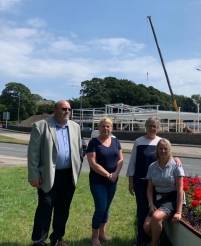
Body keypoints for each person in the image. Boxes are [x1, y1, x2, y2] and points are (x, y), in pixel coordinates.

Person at [27, 100, 84, 246]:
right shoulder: (41, 126)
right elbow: (33, 153)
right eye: (64, 108)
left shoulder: (75, 127)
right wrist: (34, 175)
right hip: (48, 175)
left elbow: (78, 150)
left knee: (63, 208)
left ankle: (57, 239)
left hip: (68, 175)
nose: (67, 111)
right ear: (55, 110)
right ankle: (39, 241)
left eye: (69, 109)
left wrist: (77, 168)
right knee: (45, 207)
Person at [126, 116, 181, 246]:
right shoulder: (138, 142)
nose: (152, 128)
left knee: (152, 211)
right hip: (141, 182)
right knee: (141, 211)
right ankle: (141, 240)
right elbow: (132, 163)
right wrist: (131, 181)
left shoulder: (160, 142)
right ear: (145, 127)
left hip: (157, 184)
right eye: (150, 125)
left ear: (158, 128)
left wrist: (177, 158)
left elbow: (167, 156)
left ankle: (152, 240)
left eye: (155, 126)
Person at [86, 117, 123, 246]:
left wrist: (115, 174)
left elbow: (120, 160)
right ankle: (94, 237)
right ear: (98, 128)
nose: (106, 128)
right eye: (103, 126)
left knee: (106, 208)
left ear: (111, 128)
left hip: (113, 180)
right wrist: (108, 174)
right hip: (98, 181)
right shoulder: (93, 143)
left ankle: (102, 233)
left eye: (108, 126)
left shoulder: (116, 141)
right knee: (100, 207)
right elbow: (93, 163)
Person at [144, 138, 185, 246]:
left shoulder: (176, 165)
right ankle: (160, 241)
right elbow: (149, 189)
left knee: (156, 217)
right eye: (160, 148)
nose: (163, 151)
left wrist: (179, 212)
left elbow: (180, 190)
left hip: (171, 198)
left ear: (169, 150)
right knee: (146, 227)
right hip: (158, 198)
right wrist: (151, 204)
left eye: (165, 149)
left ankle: (153, 244)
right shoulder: (152, 167)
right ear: (157, 150)